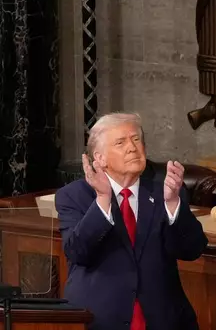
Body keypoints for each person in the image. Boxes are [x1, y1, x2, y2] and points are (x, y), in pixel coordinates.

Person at [55, 113, 207, 330]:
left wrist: (173, 204)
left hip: (163, 319)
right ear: (99, 158)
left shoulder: (165, 189)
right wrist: (103, 200)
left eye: (136, 140)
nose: (132, 148)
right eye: (120, 142)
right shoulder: (74, 196)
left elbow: (192, 250)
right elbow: (78, 252)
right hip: (98, 320)